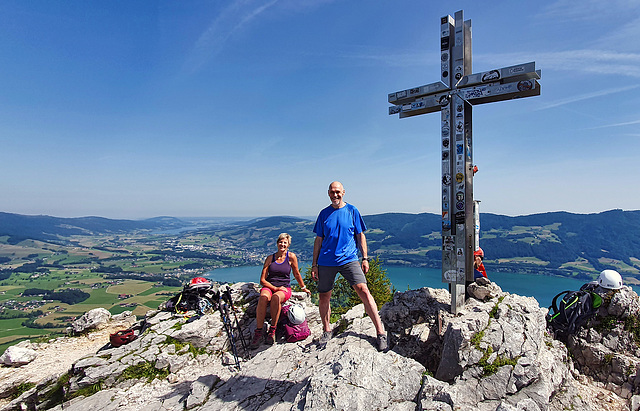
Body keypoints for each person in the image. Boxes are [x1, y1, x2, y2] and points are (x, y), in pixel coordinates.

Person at [311, 181, 388, 352]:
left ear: (344, 192)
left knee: (364, 290)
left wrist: (365, 258)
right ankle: (326, 330)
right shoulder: (324, 214)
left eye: (338, 191)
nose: (335, 195)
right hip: (326, 261)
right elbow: (318, 240)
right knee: (324, 296)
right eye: (332, 192)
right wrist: (314, 264)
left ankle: (381, 332)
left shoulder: (352, 210)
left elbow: (360, 235)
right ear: (328, 193)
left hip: (349, 259)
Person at [250, 233, 310, 348]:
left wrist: (303, 288)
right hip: (270, 286)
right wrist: (275, 288)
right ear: (277, 243)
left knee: (276, 298)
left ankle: (272, 330)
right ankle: (258, 332)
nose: (282, 244)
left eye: (285, 242)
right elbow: (262, 280)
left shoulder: (291, 257)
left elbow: (296, 273)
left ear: (288, 245)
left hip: (284, 288)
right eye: (280, 242)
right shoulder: (270, 258)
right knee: (263, 298)